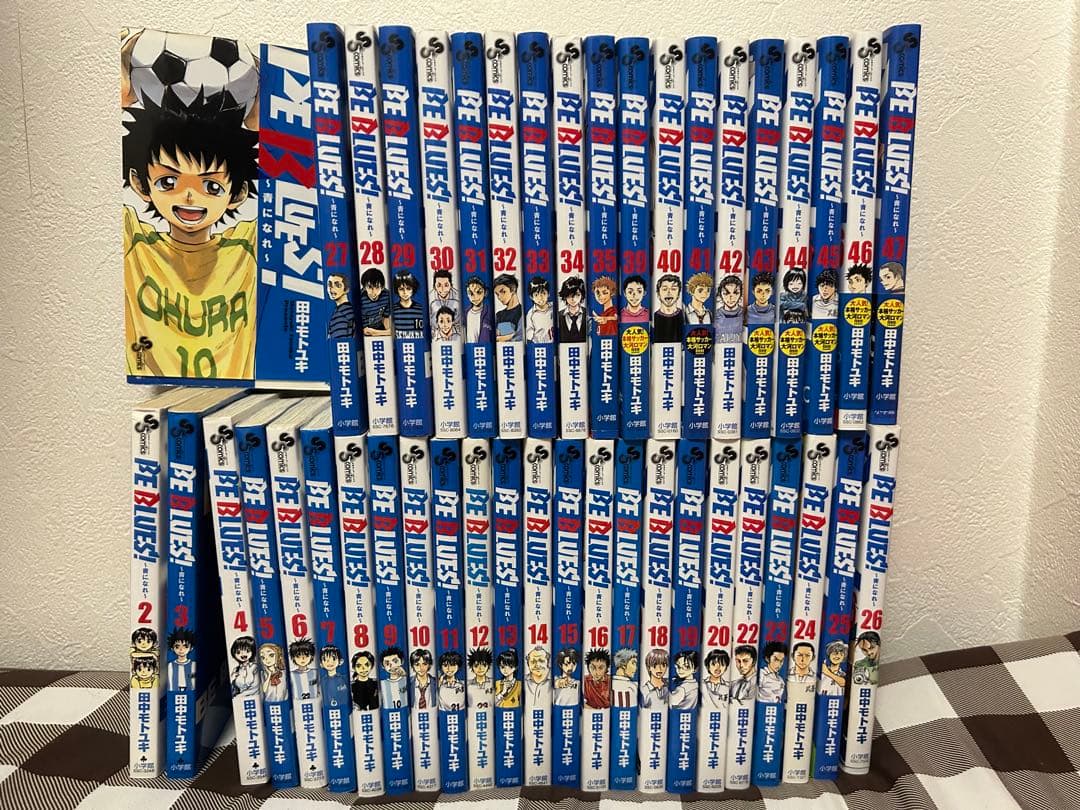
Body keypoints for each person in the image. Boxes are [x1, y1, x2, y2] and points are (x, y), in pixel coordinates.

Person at [122, 85, 259, 379]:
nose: (188, 196)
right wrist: (126, 90)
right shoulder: (135, 244)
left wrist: (259, 119)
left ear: (237, 194)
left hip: (238, 392)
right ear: (141, 185)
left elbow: (290, 190)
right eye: (168, 182)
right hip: (157, 390)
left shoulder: (248, 246)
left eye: (211, 186)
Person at [392, 271, 427, 339]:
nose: (405, 292)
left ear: (413, 289)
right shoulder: (393, 309)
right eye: (401, 289)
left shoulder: (420, 309)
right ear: (397, 290)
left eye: (408, 289)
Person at [360, 268, 392, 336]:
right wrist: (387, 332)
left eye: (377, 287)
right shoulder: (360, 298)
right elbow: (365, 330)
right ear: (364, 287)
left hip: (379, 328)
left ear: (382, 287)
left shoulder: (387, 295)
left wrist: (388, 330)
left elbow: (385, 317)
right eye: (370, 287)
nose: (374, 292)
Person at [493, 274, 523, 341]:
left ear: (513, 289)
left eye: (503, 292)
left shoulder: (522, 312)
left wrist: (502, 336)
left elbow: (520, 337)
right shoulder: (499, 315)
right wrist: (511, 335)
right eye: (497, 294)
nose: (499, 297)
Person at [653, 276, 683, 341]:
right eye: (664, 289)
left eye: (673, 289)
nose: (669, 292)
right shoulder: (654, 316)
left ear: (678, 294)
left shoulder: (683, 315)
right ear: (658, 294)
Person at [558, 277, 588, 342]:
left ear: (582, 296)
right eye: (569, 295)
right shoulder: (558, 316)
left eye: (577, 295)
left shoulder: (588, 313)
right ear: (565, 296)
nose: (573, 299)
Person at [326, 273, 355, 339]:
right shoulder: (349, 309)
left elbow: (338, 342)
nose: (331, 288)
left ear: (346, 289)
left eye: (337, 285)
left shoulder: (341, 314)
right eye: (329, 284)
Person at [465, 277, 494, 343]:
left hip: (486, 347)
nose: (475, 297)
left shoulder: (489, 312)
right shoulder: (466, 313)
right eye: (471, 293)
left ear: (485, 292)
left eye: (478, 292)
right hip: (470, 347)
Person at [526, 277, 554, 343]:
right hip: (538, 343)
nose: (540, 298)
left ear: (548, 294)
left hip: (553, 342)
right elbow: (529, 334)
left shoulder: (553, 307)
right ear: (531, 297)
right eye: (536, 295)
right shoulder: (531, 314)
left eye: (543, 293)